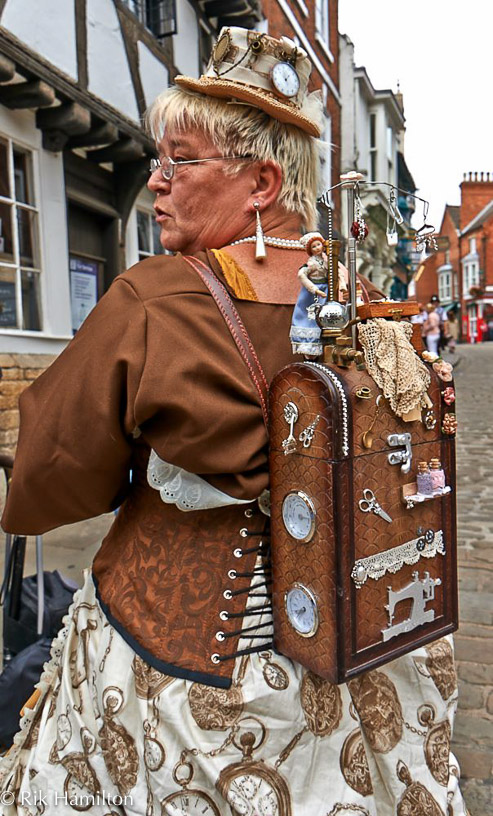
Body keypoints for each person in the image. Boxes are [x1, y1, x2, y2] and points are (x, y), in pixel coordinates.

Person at [0, 27, 466, 816]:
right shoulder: (362, 304)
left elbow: (47, 484)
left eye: (179, 160)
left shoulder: (152, 300)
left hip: (180, 670)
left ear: (258, 182)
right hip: (362, 643)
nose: (156, 181)